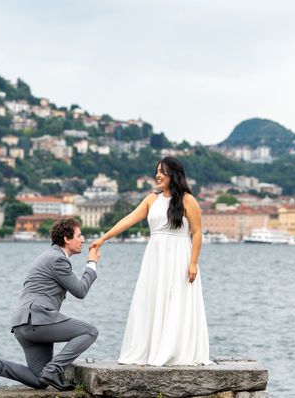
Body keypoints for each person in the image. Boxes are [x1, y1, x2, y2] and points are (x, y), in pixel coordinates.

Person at [89, 156, 210, 366]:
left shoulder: (188, 200)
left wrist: (193, 263)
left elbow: (198, 233)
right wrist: (103, 238)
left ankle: (174, 350)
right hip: (155, 257)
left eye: (162, 171)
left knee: (175, 300)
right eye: (157, 171)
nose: (158, 175)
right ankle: (150, 350)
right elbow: (128, 219)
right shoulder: (151, 200)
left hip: (179, 256)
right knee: (151, 299)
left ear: (174, 174)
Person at [0, 217, 101, 392]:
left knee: (39, 380)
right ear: (66, 238)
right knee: (90, 331)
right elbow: (80, 291)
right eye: (79, 235)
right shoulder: (58, 259)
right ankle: (53, 370)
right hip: (37, 320)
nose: (83, 240)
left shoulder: (48, 256)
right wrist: (92, 264)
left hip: (22, 324)